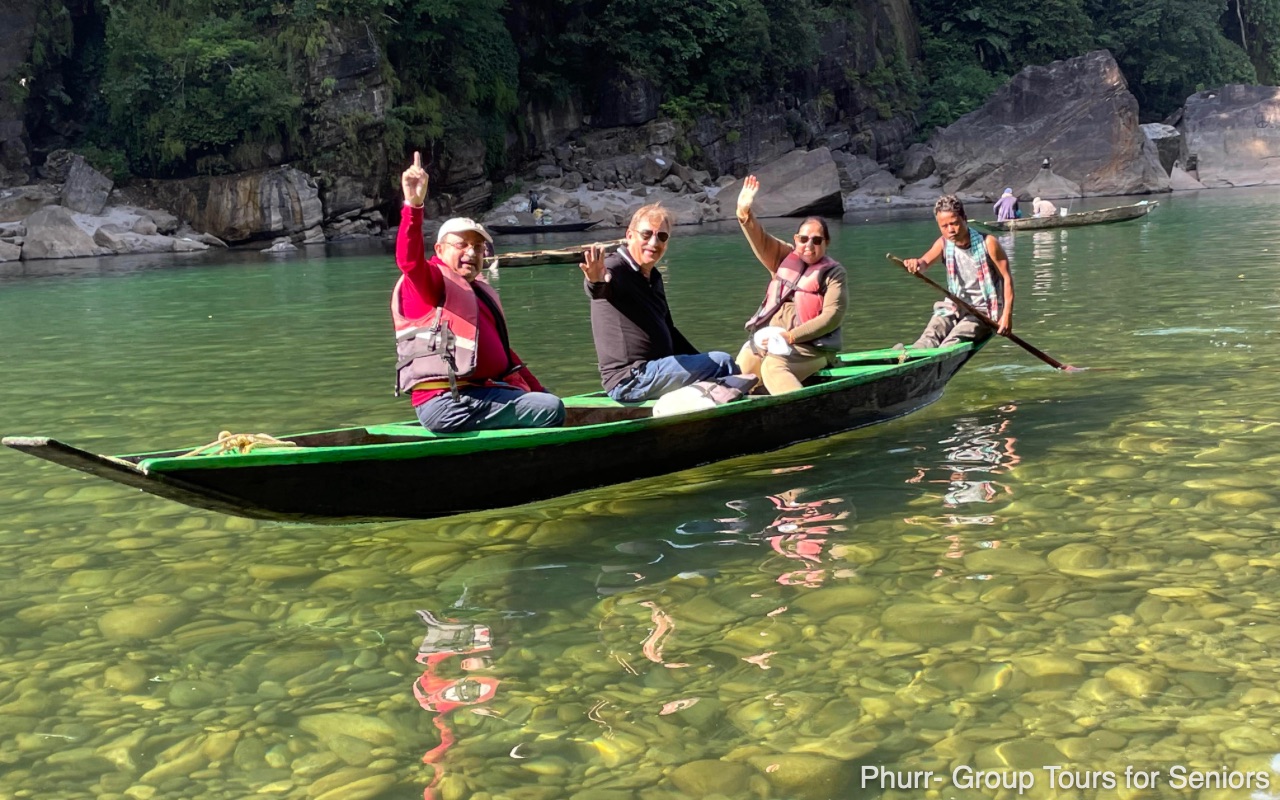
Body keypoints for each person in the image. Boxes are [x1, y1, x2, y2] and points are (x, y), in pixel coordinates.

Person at [394, 151, 565, 433]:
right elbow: (408, 261)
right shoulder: (430, 283)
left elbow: (508, 358)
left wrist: (540, 389)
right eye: (461, 245)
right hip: (447, 401)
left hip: (480, 394)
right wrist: (413, 205)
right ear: (439, 250)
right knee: (549, 409)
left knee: (548, 401)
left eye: (478, 247)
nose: (471, 252)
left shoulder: (476, 291)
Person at [581, 203, 738, 402]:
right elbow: (598, 290)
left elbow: (670, 331)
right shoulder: (614, 267)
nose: (654, 243)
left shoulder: (653, 276)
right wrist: (594, 280)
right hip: (630, 378)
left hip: (658, 370)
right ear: (630, 235)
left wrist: (702, 362)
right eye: (646, 235)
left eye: (661, 236)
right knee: (723, 362)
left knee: (718, 363)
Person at [733, 175, 847, 395]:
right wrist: (744, 213)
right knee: (744, 365)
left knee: (773, 366)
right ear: (796, 240)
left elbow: (832, 316)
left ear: (826, 243)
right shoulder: (783, 258)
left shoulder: (833, 273)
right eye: (804, 239)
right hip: (772, 341)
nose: (809, 245)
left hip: (812, 348)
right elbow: (761, 240)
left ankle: (800, 415)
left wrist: (791, 336)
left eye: (816, 240)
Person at [902, 194, 1014, 348]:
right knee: (929, 337)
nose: (950, 231)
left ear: (965, 219)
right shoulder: (943, 244)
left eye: (954, 224)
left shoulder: (989, 243)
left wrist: (1007, 315)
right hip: (954, 307)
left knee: (952, 342)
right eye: (944, 226)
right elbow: (924, 263)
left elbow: (1006, 278)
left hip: (983, 312)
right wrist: (915, 264)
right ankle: (907, 360)